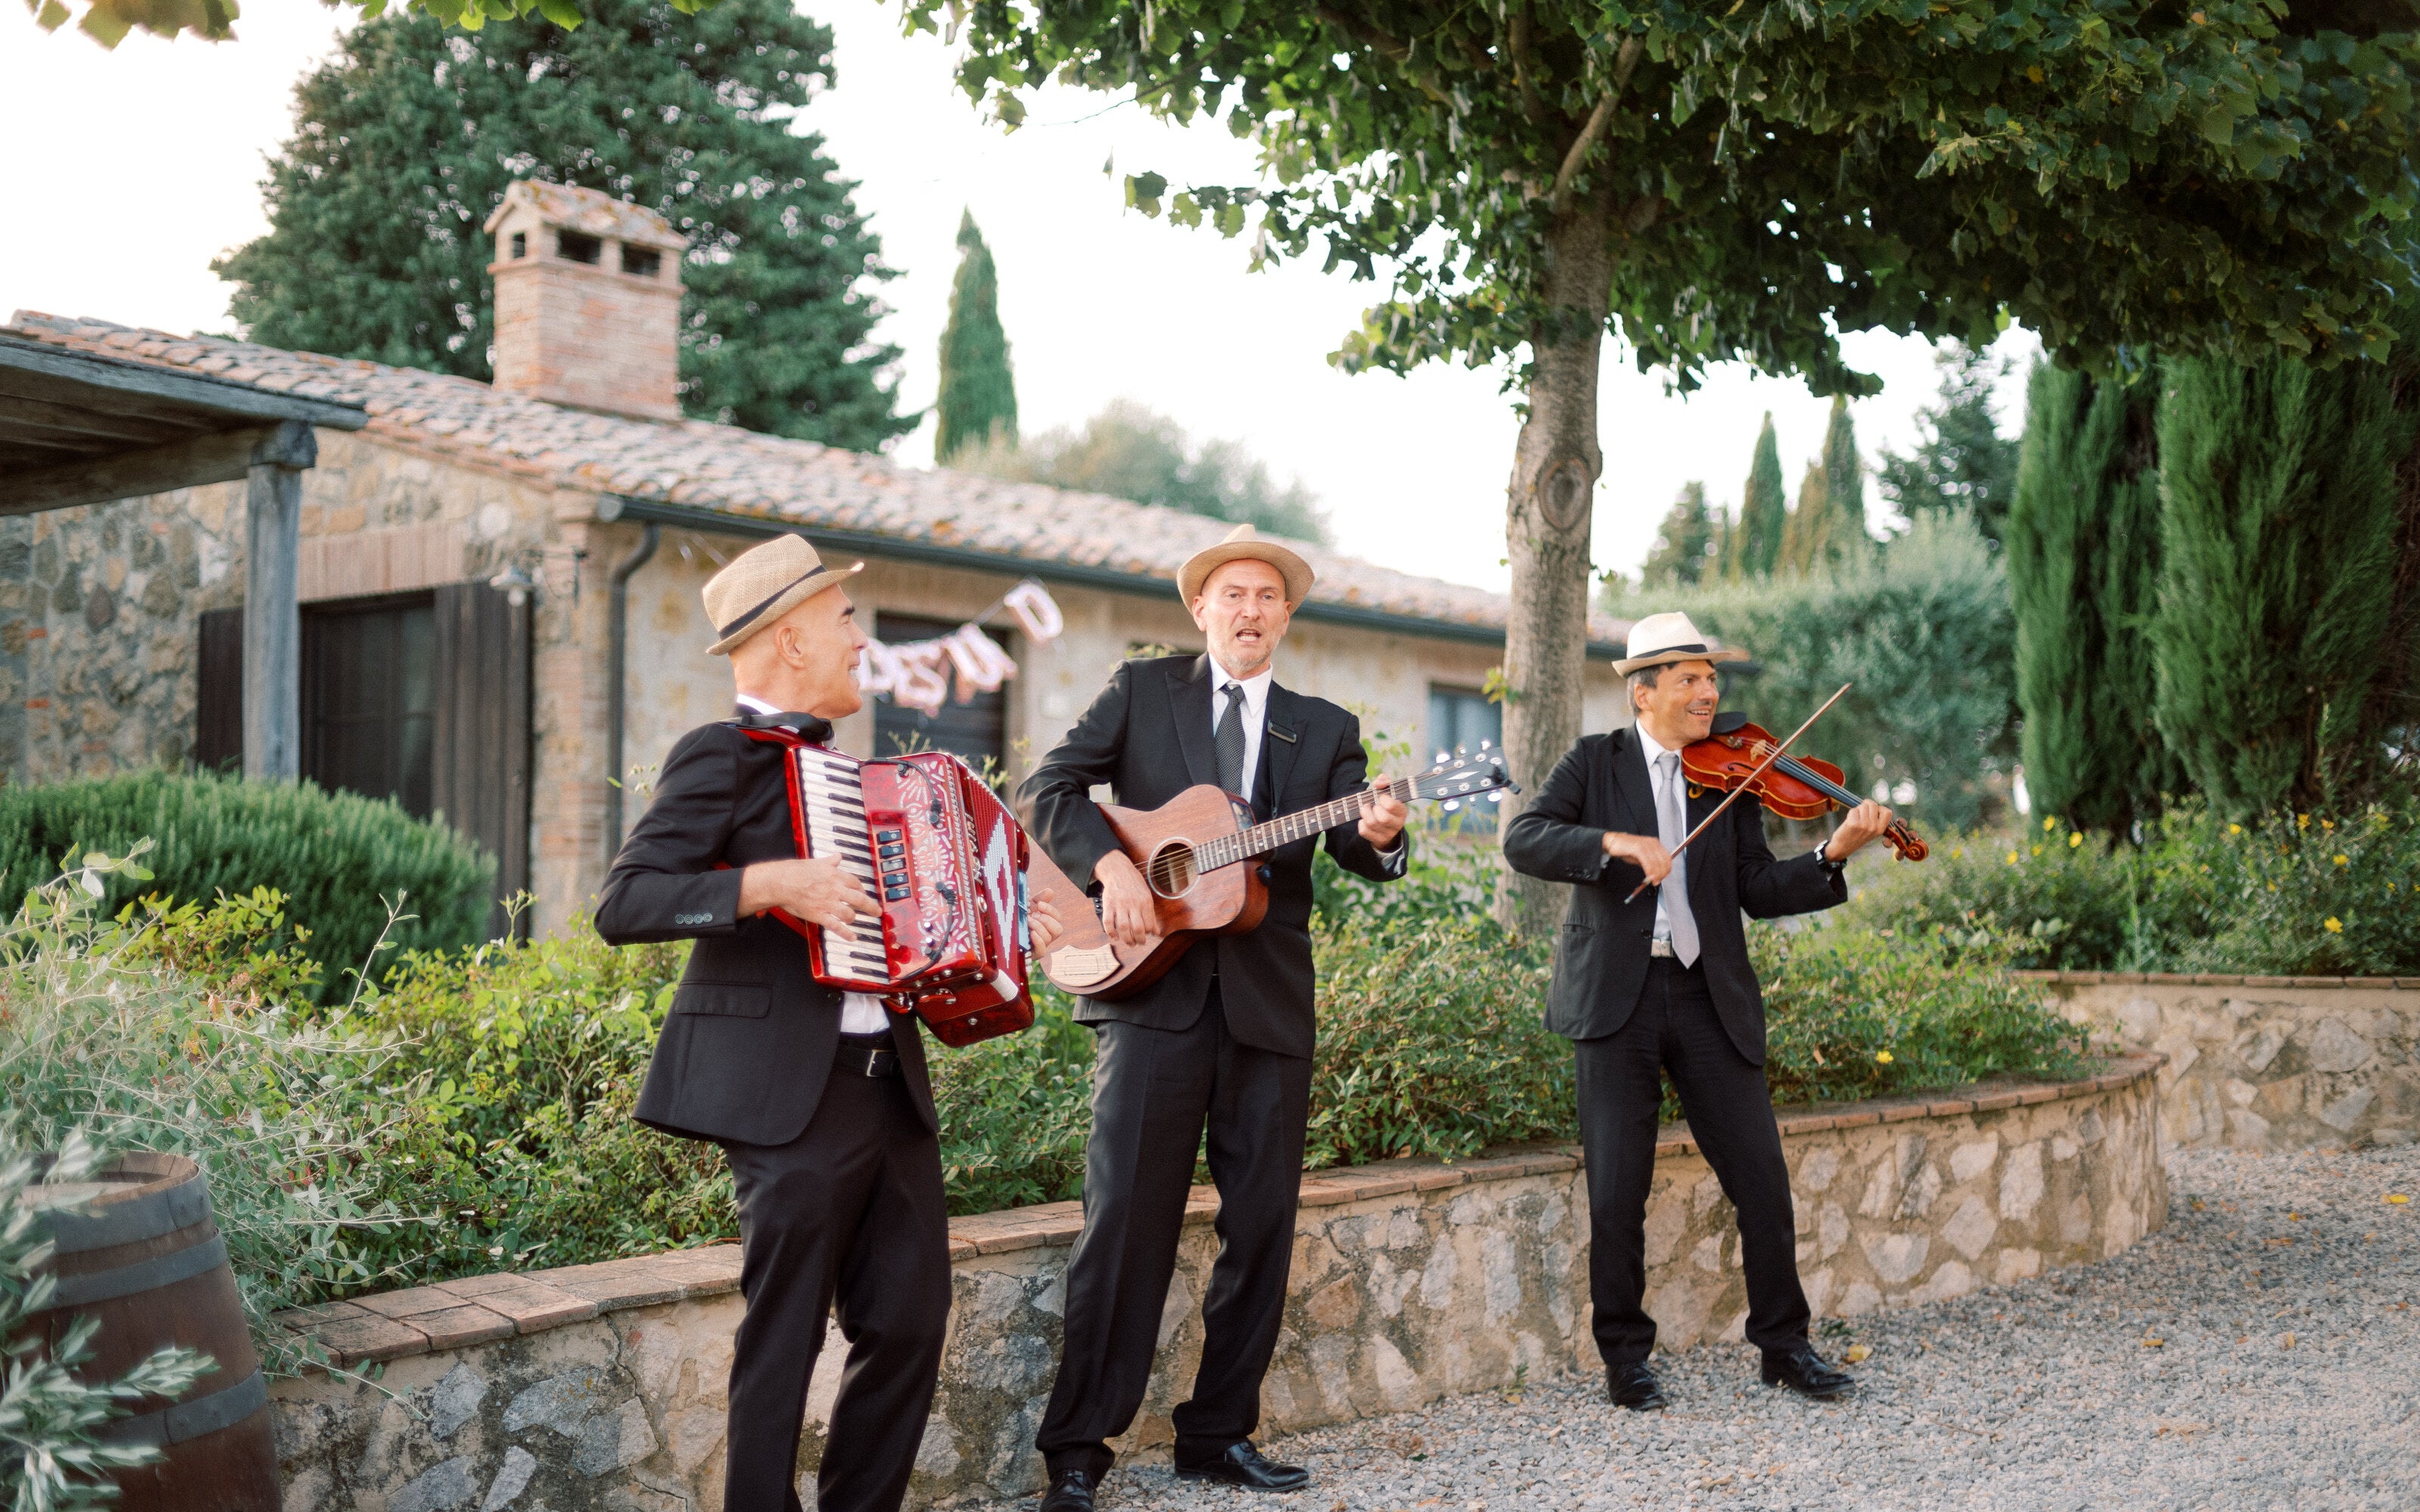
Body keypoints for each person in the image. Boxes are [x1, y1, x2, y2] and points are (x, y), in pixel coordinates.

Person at [594, 532, 1062, 1512]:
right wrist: (770, 885)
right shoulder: (720, 758)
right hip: (785, 1101)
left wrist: (980, 931)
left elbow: (909, 925)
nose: (862, 639)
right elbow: (626, 902)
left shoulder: (856, 781)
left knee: (910, 1321)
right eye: (844, 619)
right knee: (786, 1333)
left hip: (888, 1093)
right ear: (790, 638)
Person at [1019, 524, 1410, 1512]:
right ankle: (1076, 1449)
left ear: (1286, 615)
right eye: (1232, 595)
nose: (1249, 610)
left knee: (1263, 1228)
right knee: (1123, 1225)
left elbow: (1358, 855)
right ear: (1201, 609)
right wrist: (1111, 867)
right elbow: (1048, 789)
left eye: (1268, 597)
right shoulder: (1144, 692)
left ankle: (1218, 1434)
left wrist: (1381, 837)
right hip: (1150, 997)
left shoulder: (1325, 729)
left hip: (1269, 1006)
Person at [1500, 611, 1894, 1411]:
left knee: (1760, 1179)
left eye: (1710, 676)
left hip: (1706, 992)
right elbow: (1527, 839)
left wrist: (1830, 854)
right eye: (1688, 676)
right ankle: (1624, 1358)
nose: (1708, 690)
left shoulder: (1732, 776)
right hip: (1617, 998)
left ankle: (1783, 1347)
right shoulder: (1593, 761)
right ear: (1642, 692)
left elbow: (1753, 887)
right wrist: (1614, 842)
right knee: (1617, 1188)